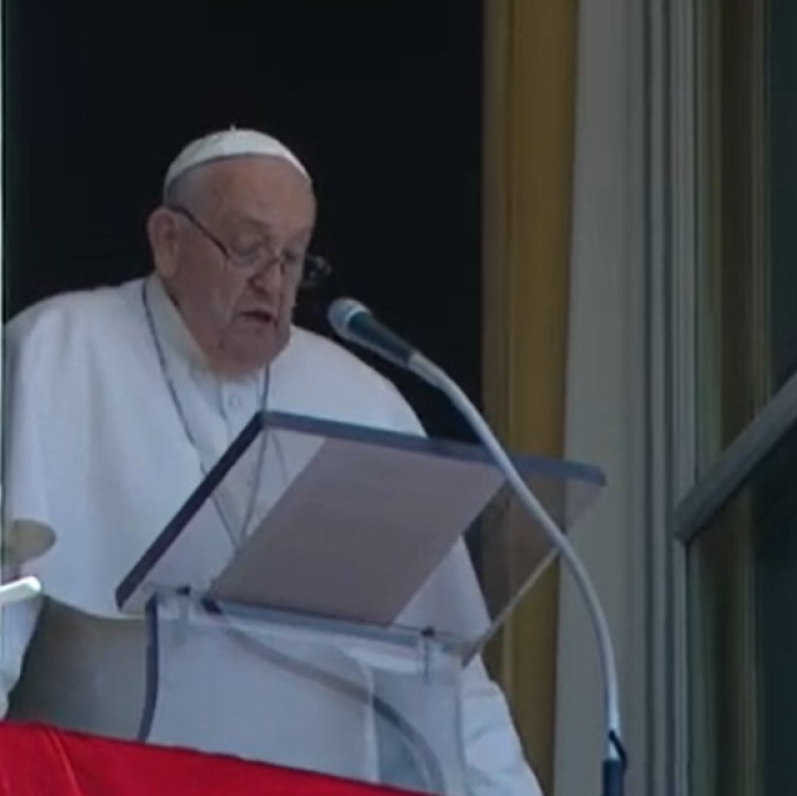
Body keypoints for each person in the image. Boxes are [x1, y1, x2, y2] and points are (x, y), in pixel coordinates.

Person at [0, 128, 542, 796]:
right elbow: (5, 600)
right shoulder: (57, 352)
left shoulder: (364, 403)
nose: (274, 283)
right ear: (168, 242)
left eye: (294, 257)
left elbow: (443, 667)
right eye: (249, 250)